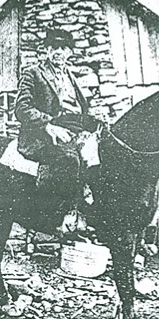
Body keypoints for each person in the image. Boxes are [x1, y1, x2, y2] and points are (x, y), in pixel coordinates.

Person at [15, 28, 100, 212]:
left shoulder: (71, 77)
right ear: (46, 50)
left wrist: (95, 121)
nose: (58, 52)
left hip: (75, 127)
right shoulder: (33, 73)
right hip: (45, 131)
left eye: (63, 48)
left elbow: (80, 109)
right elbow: (21, 108)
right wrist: (47, 125)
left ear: (69, 52)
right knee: (70, 159)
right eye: (53, 47)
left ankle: (93, 211)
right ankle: (63, 215)